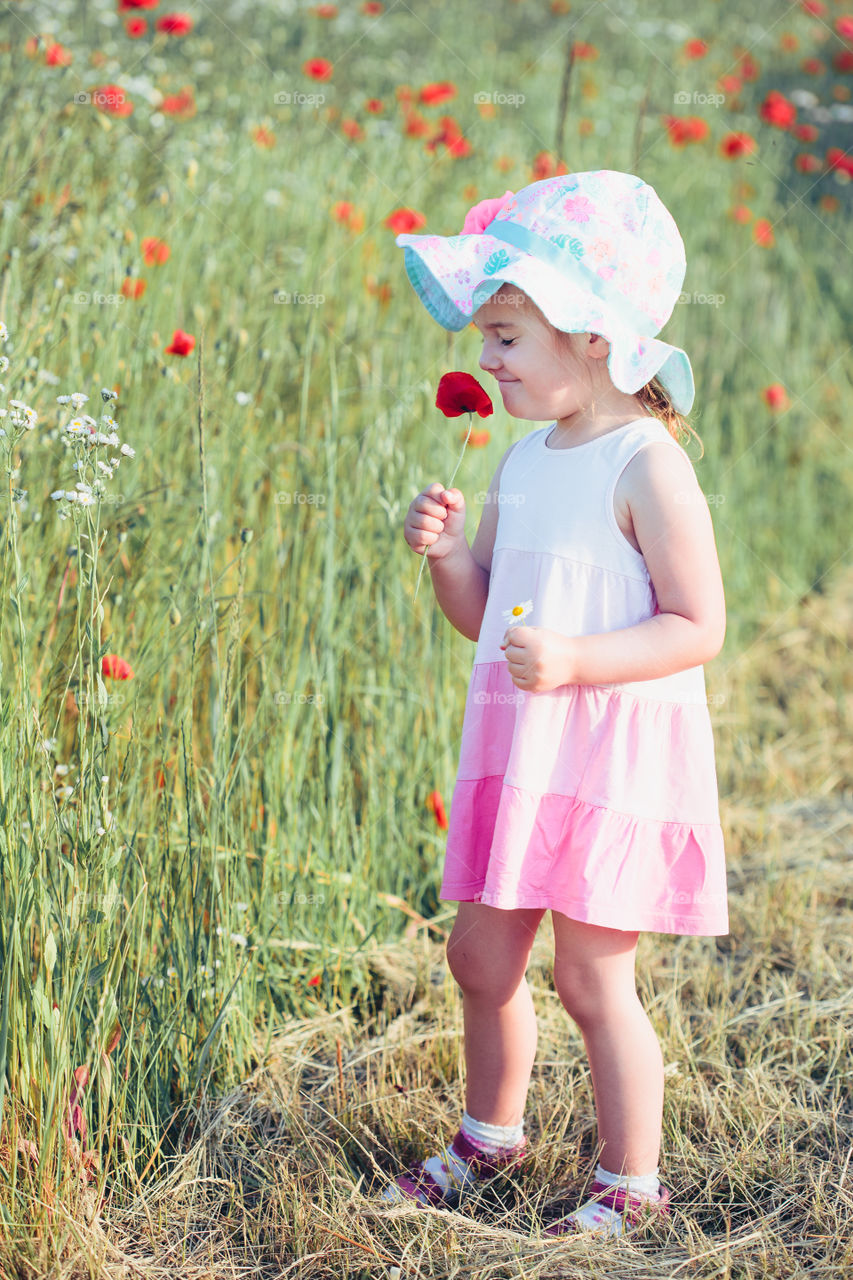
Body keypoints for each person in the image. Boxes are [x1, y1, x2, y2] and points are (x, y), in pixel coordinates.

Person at [385, 170, 729, 1239]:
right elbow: (485, 615)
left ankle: (630, 1175)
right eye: (486, 335)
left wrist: (576, 657)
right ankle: (492, 1131)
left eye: (503, 333)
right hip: (522, 750)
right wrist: (446, 558)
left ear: (590, 336)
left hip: (608, 756)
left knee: (590, 974)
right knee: (478, 956)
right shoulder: (524, 459)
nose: (483, 358)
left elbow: (697, 624)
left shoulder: (646, 463)